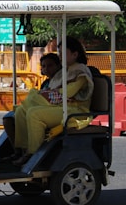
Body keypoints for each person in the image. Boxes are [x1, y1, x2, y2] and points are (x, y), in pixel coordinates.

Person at [12, 36, 94, 166]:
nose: (59, 55)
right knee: (20, 111)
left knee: (34, 113)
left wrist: (45, 95)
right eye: (59, 52)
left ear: (74, 54)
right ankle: (23, 150)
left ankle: (33, 155)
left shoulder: (80, 71)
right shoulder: (65, 71)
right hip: (60, 106)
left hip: (74, 111)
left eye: (62, 52)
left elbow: (67, 93)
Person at [2, 53, 62, 161]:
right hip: (38, 106)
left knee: (30, 114)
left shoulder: (61, 80)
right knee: (9, 119)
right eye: (44, 66)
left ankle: (31, 154)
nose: (46, 69)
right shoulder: (46, 82)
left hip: (51, 109)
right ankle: (18, 151)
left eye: (50, 65)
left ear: (58, 66)